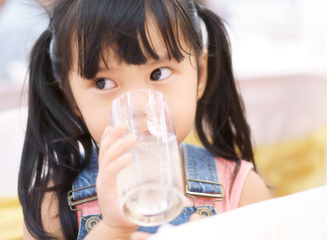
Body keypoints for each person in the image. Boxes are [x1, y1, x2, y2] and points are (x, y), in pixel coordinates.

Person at [18, 0, 271, 239]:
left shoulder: (242, 190)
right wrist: (112, 229)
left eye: (158, 73)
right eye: (103, 83)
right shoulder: (52, 205)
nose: (138, 107)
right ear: (71, 97)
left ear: (200, 74)